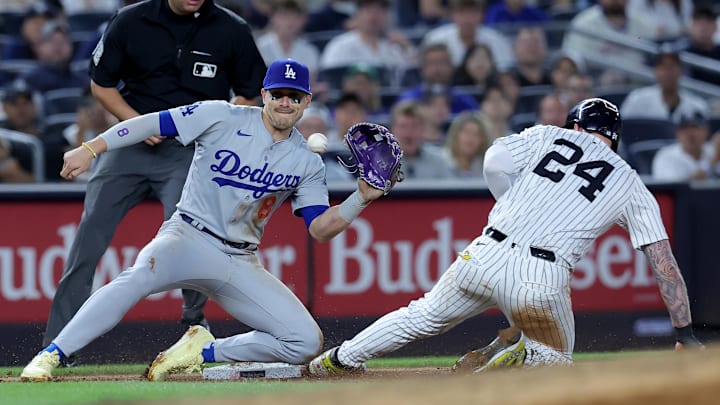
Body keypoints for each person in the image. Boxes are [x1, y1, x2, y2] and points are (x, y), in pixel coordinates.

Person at [20, 59, 391, 382]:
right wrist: (92, 147)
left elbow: (319, 229)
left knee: (304, 342)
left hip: (240, 259)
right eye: (278, 93)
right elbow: (151, 123)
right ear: (263, 94)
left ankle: (202, 351)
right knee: (136, 277)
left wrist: (361, 198)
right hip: (187, 237)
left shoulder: (306, 162)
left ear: (307, 102)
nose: (284, 102)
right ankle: (52, 353)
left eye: (294, 96)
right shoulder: (220, 116)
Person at [307, 97, 703, 376]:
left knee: (421, 316)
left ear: (576, 126)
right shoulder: (630, 181)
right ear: (613, 138)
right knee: (557, 359)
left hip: (485, 252)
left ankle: (337, 359)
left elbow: (493, 160)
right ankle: (520, 356)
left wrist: (512, 203)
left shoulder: (549, 135)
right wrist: (684, 333)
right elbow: (662, 262)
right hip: (540, 277)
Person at [41, 0, 268, 365]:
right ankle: (56, 345)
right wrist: (139, 121)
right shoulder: (131, 20)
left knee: (193, 236)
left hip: (190, 148)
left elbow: (248, 92)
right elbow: (101, 85)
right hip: (130, 141)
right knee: (89, 235)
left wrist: (209, 126)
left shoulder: (231, 28)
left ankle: (194, 329)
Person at [651, 112, 720, 181]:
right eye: (685, 128)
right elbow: (681, 188)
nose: (690, 133)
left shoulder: (713, 149)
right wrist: (713, 160)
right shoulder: (665, 156)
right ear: (677, 133)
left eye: (695, 127)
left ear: (706, 131)